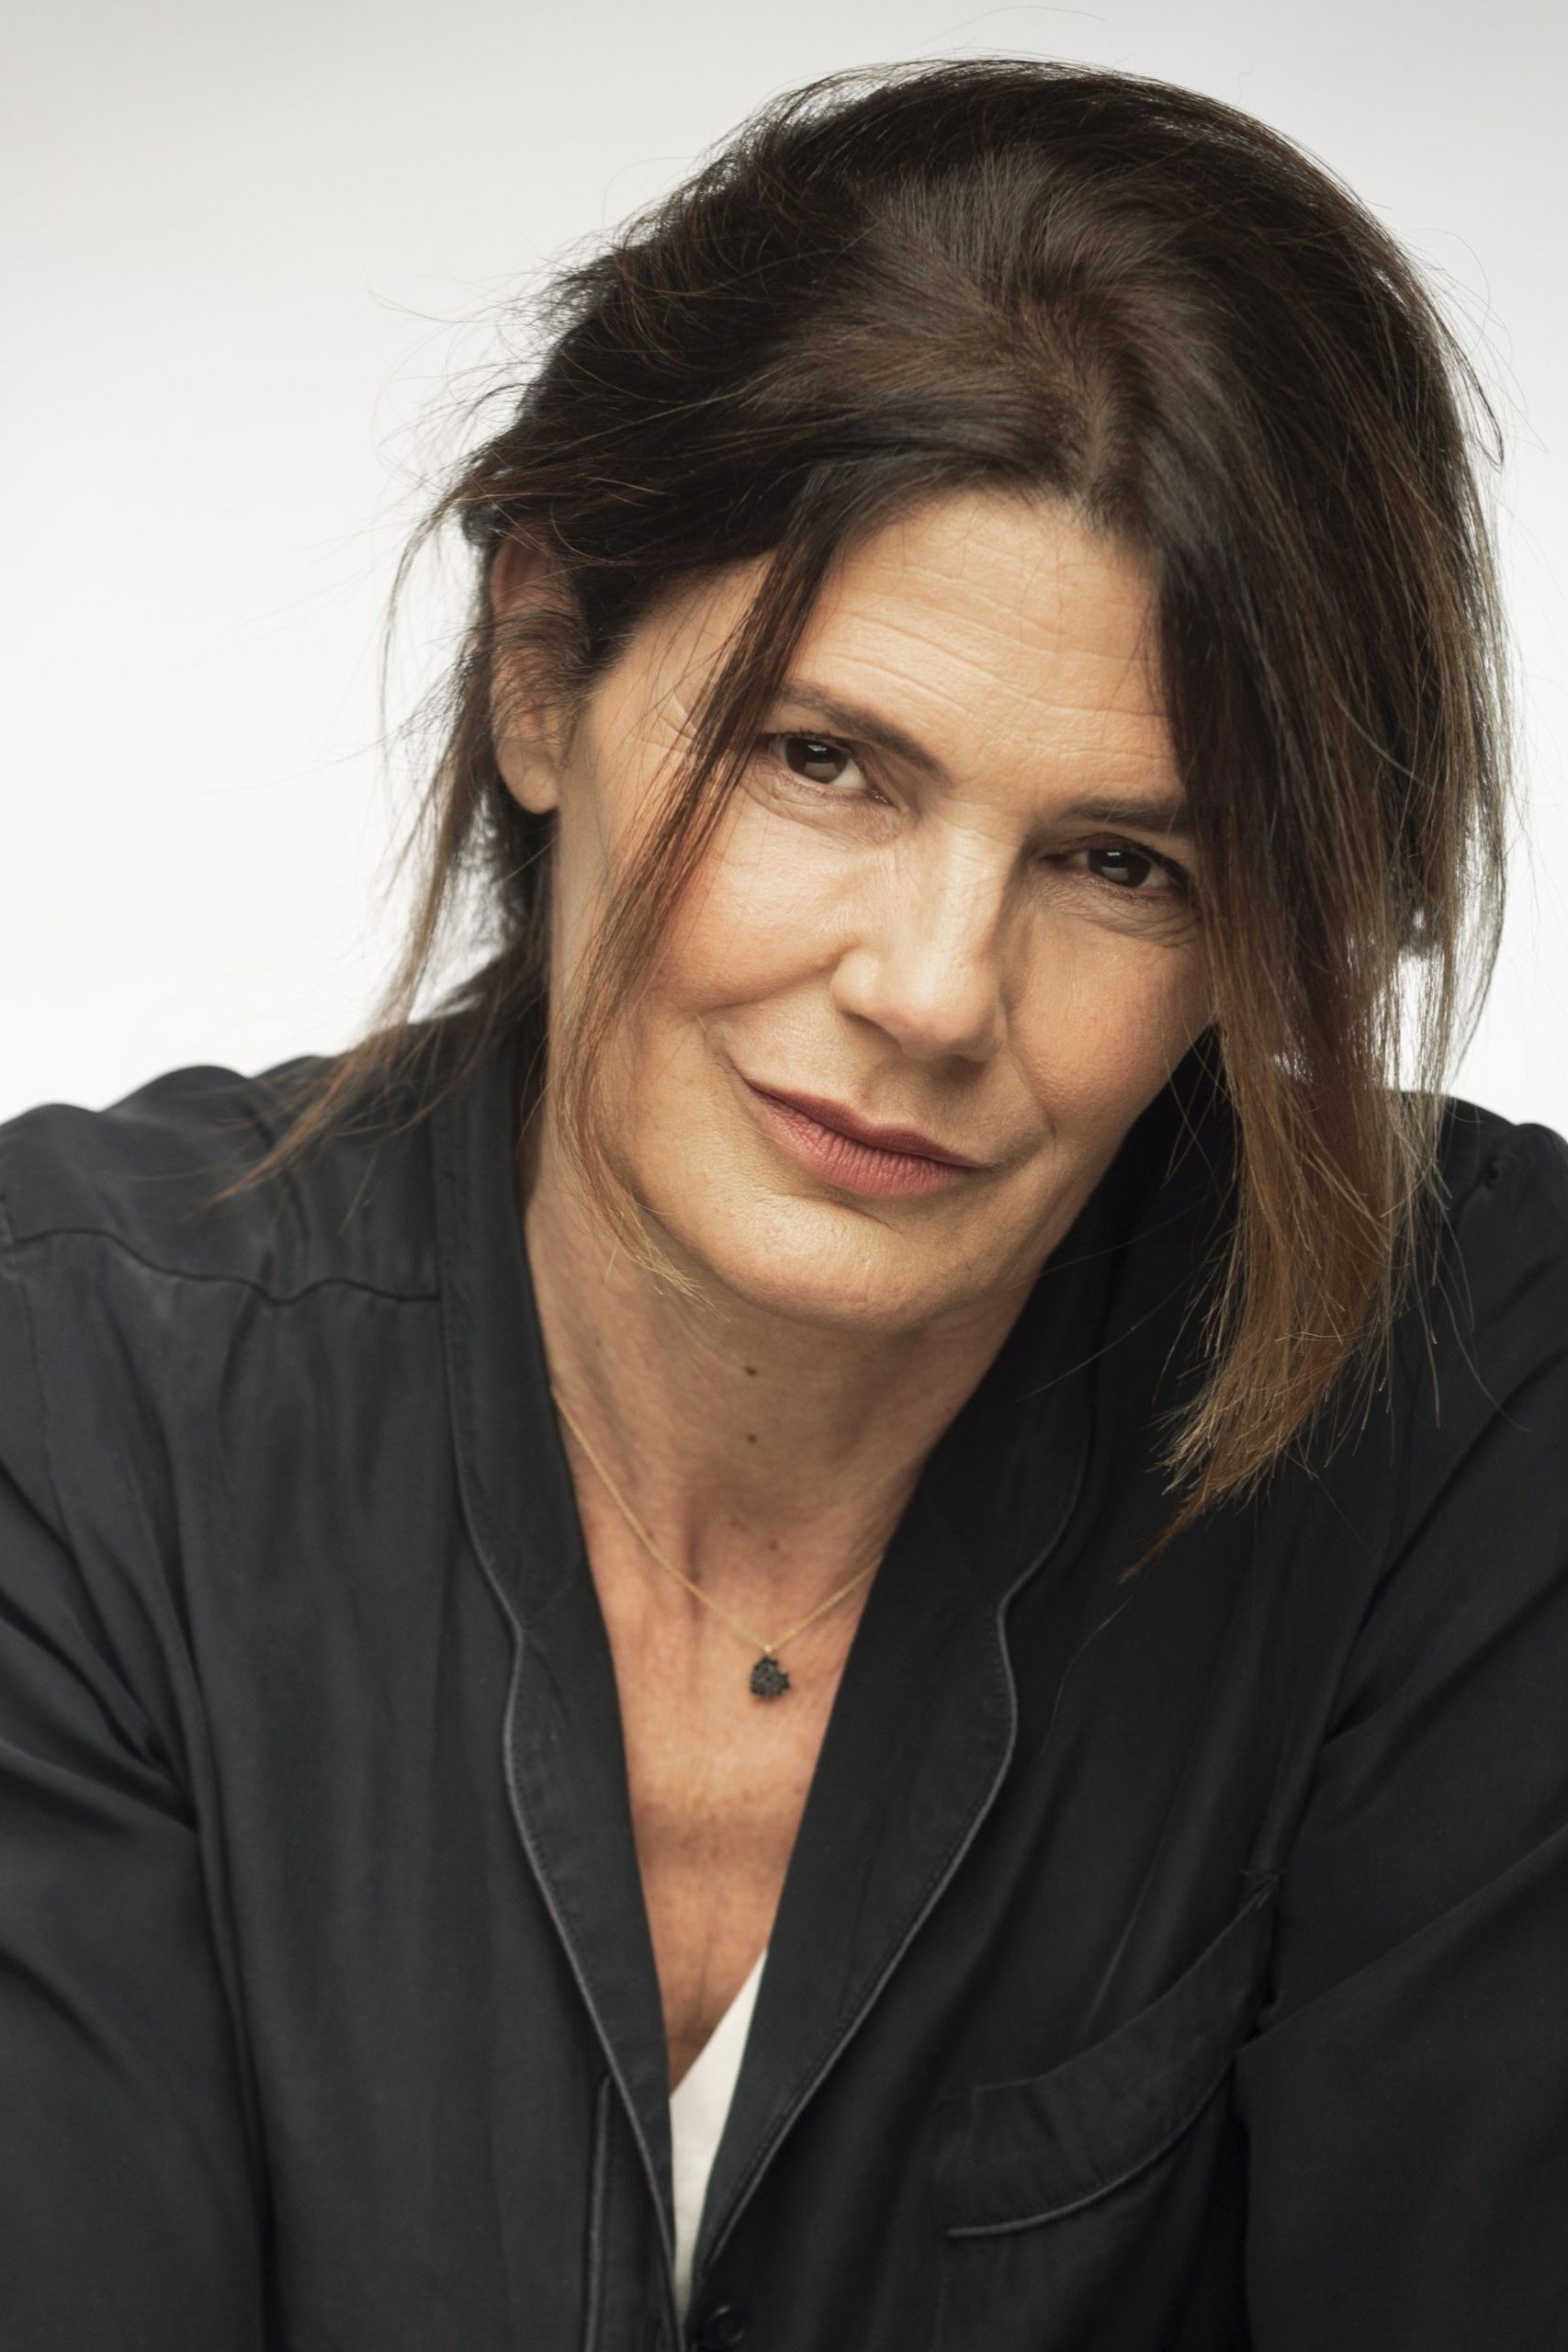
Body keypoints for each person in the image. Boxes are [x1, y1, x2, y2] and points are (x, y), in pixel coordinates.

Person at [1, 56, 1563, 2352]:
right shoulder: (68, 1383)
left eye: (1120, 862)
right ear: (544, 671)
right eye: (822, 762)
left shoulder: (1465, 1396)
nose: (930, 990)